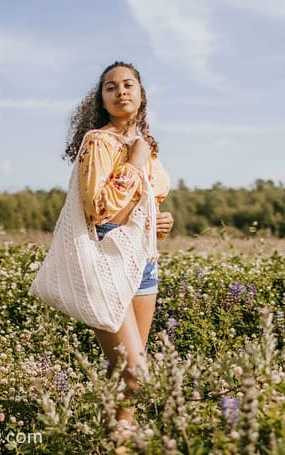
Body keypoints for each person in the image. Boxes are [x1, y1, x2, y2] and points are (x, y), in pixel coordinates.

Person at [62, 61, 173, 434]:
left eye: (128, 85)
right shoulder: (98, 142)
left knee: (125, 375)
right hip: (106, 259)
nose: (121, 91)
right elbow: (99, 208)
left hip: (142, 262)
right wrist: (136, 162)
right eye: (111, 87)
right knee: (135, 373)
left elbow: (142, 205)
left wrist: (160, 222)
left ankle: (116, 442)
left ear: (141, 94)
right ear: (102, 99)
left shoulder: (145, 145)